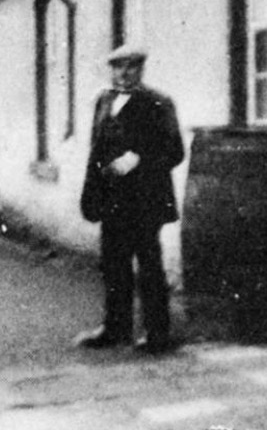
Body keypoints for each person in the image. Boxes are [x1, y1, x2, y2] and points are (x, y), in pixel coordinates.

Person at [75, 44, 186, 354]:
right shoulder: (103, 101)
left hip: (145, 200)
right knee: (112, 265)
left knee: (149, 265)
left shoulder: (158, 103)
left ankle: (157, 334)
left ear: (141, 69)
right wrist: (93, 191)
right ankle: (115, 328)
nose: (124, 73)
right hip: (111, 199)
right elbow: (95, 150)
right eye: (118, 67)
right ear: (111, 70)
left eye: (131, 66)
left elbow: (174, 151)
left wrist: (138, 158)